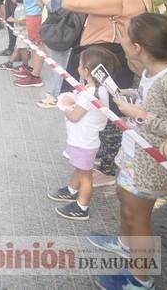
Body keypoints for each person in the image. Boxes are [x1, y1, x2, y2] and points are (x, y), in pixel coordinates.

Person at [61, 0, 167, 187]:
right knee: (106, 109)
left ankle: (101, 168)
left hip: (107, 57)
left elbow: (70, 3)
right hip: (113, 56)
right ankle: (101, 162)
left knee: (102, 111)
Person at [88, 13, 167, 290]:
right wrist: (134, 96)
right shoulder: (151, 73)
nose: (122, 40)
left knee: (139, 218)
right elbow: (152, 105)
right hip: (133, 153)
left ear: (138, 48)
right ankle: (124, 243)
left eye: (125, 37)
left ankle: (141, 279)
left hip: (150, 163)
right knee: (124, 200)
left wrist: (138, 114)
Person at [48, 47, 116, 220]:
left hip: (84, 141)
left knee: (86, 175)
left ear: (86, 70)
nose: (78, 67)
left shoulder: (90, 94)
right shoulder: (99, 90)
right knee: (80, 168)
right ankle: (71, 190)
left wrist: (63, 106)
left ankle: (82, 206)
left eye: (79, 65)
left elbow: (74, 116)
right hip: (85, 139)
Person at [30, 0, 72, 108]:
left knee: (59, 65)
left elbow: (56, 8)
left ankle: (56, 96)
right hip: (50, 28)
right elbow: (42, 4)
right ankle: (56, 92)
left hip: (61, 31)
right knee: (55, 64)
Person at [0, 0, 28, 71]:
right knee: (19, 49)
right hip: (20, 33)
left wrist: (13, 20)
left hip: (23, 33)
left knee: (21, 50)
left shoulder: (21, 9)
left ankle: (22, 65)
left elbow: (25, 21)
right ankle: (15, 64)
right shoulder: (20, 7)